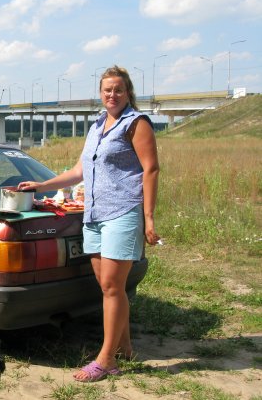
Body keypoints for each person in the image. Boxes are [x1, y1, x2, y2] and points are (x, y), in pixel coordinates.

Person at [18, 65, 160, 382]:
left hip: (122, 212)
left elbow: (151, 169)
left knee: (111, 286)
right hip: (94, 215)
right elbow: (78, 171)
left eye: (118, 89)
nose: (113, 94)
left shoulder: (136, 123)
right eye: (107, 89)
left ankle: (106, 360)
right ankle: (124, 348)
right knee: (109, 287)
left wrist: (149, 217)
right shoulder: (97, 125)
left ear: (128, 92)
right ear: (101, 93)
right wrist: (40, 186)